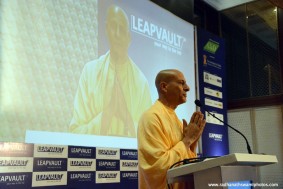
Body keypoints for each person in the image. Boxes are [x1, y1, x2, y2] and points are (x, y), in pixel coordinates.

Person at [69, 5, 152, 137]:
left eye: (122, 29)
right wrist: (106, 114)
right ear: (107, 30)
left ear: (129, 37)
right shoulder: (90, 72)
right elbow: (74, 132)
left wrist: (127, 119)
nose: (117, 34)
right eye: (114, 27)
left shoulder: (141, 82)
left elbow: (150, 137)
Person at [138, 69, 206, 189]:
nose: (187, 88)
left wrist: (192, 144)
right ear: (164, 87)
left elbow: (184, 164)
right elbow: (158, 167)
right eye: (181, 83)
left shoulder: (175, 119)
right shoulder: (151, 117)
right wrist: (187, 140)